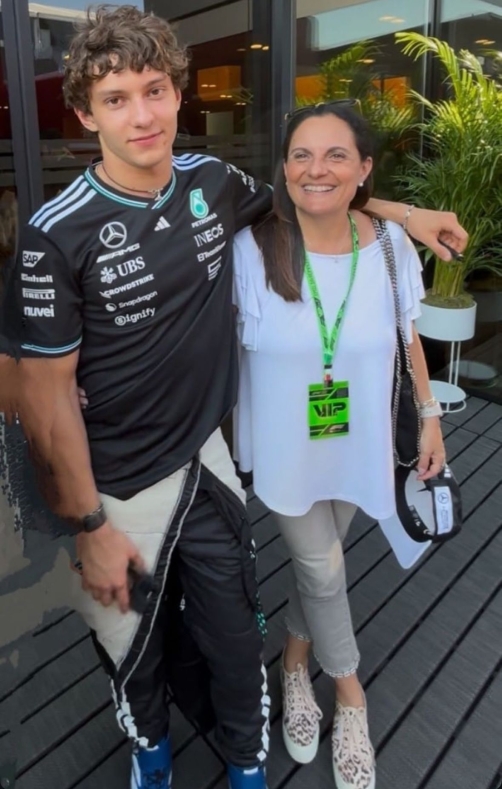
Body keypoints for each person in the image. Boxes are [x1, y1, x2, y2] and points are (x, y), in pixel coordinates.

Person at [3, 6, 467, 789]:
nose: (142, 115)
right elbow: (44, 402)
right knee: (131, 641)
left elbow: (312, 197)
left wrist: (405, 213)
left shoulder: (212, 183)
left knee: (232, 632)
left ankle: (248, 764)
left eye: (155, 90)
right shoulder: (57, 232)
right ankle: (152, 752)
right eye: (116, 99)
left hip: (206, 461)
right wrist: (87, 528)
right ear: (84, 114)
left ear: (178, 94)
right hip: (114, 484)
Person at [232, 102, 453, 789]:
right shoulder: (253, 248)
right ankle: (351, 694)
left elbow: (408, 336)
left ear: (364, 169)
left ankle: (294, 662)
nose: (315, 168)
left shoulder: (390, 246)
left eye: (336, 155)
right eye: (301, 154)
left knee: (321, 566)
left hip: (357, 439)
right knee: (323, 568)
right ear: (283, 168)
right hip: (284, 446)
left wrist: (430, 416)